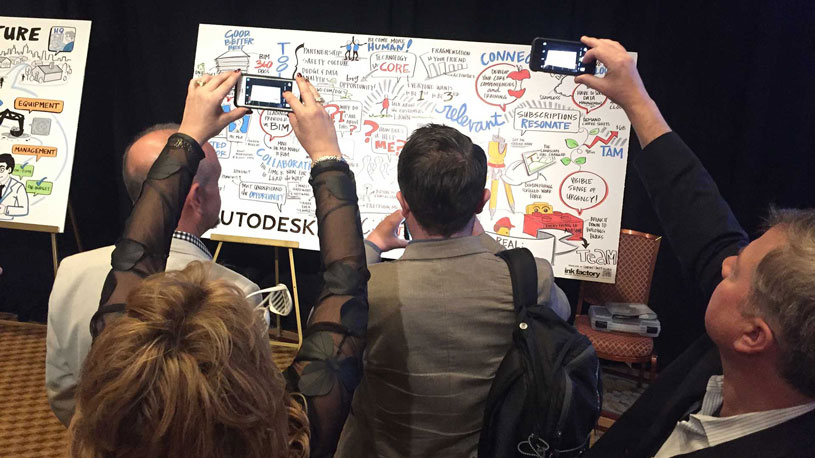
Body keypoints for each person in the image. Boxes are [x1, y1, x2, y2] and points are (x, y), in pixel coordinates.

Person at [69, 72, 369, 457]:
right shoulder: (288, 435)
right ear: (247, 370)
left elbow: (134, 254)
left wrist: (189, 135)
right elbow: (346, 287)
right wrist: (326, 154)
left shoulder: (114, 408)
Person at [574, 37, 815, 457]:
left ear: (753, 336)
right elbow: (702, 219)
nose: (724, 265)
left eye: (736, 271)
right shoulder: (748, 368)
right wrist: (636, 100)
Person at [336, 123, 571, 457]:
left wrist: (371, 245)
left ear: (403, 204)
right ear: (481, 202)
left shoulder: (368, 290)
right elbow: (561, 323)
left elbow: (325, 334)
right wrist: (486, 242)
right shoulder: (533, 280)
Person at [45, 123, 261, 426]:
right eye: (218, 182)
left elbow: (63, 392)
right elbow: (244, 412)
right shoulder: (241, 293)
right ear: (197, 196)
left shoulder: (71, 271)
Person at [0, 152, 30, 219]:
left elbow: (24, 210)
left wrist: (6, 210)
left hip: (9, 225)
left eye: (1, 169)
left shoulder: (18, 186)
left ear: (9, 170)